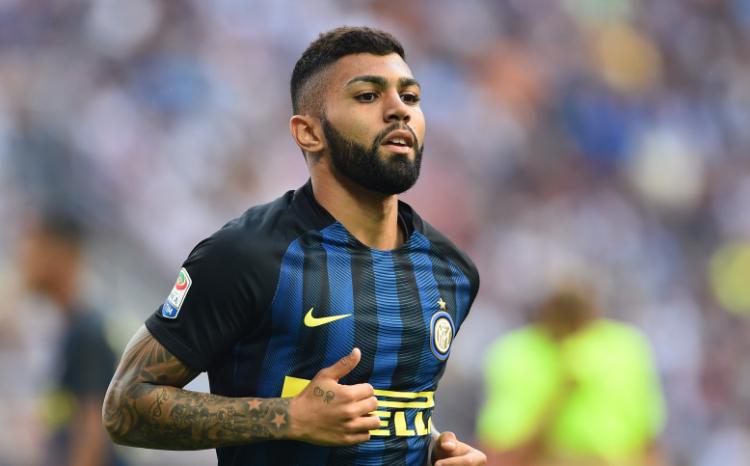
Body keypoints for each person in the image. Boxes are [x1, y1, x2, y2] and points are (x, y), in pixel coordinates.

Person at [103, 26, 486, 466]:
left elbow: (397, 410)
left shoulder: (450, 271)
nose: (399, 109)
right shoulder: (246, 256)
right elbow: (125, 405)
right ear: (309, 133)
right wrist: (289, 417)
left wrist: (433, 448)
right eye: (367, 95)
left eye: (411, 97)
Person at [476, 283, 666, 466]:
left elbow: (649, 441)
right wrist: (559, 395)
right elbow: (500, 452)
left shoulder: (626, 348)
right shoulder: (518, 354)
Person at [19, 212, 123, 466]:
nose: (25, 257)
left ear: (62, 254)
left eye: (35, 245)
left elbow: (92, 440)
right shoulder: (70, 325)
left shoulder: (88, 333)